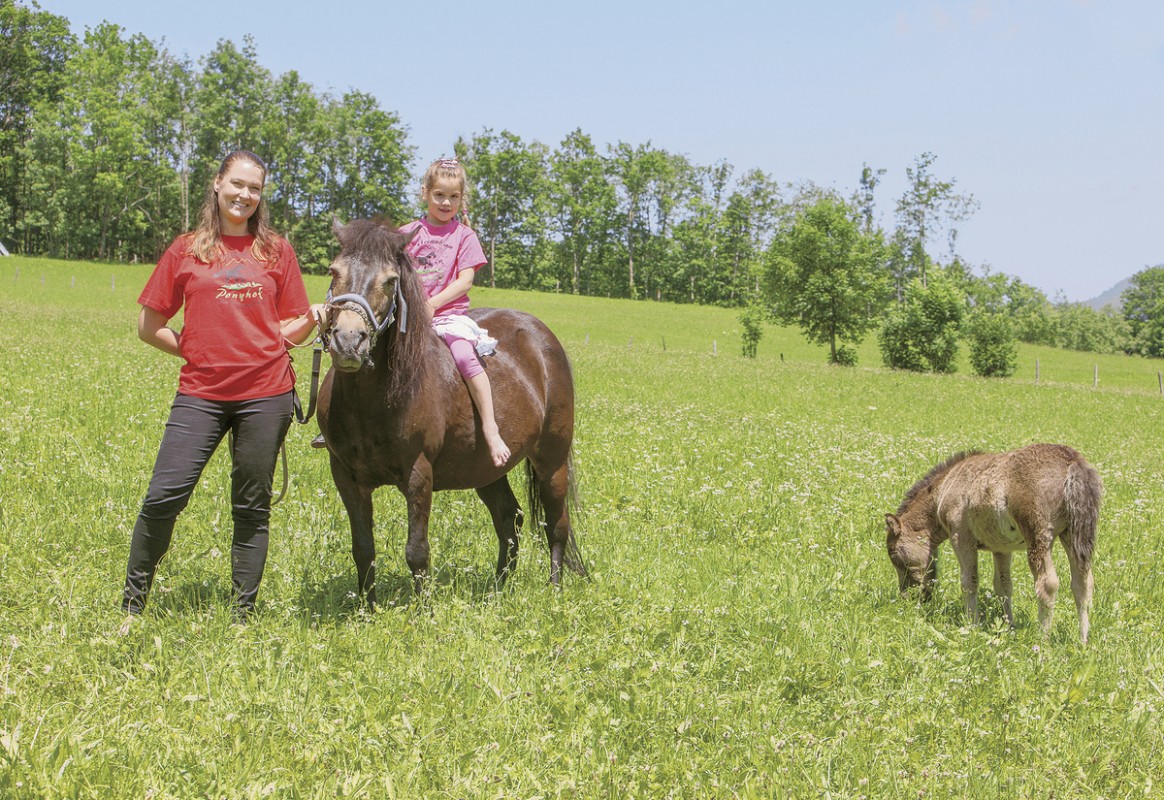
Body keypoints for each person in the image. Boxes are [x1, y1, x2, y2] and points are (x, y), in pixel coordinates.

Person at [121, 149, 324, 627]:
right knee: (164, 496)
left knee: (251, 507)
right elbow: (149, 327)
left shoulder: (277, 252)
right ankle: (131, 607)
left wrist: (310, 320)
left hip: (267, 395)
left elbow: (287, 328)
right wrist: (197, 350)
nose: (245, 195)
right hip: (201, 395)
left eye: (255, 188)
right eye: (237, 184)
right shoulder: (185, 250)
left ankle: (241, 618)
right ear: (217, 183)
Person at [400, 157, 510, 468]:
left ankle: (490, 427)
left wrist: (432, 304)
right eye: (439, 195)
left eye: (453, 196)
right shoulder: (406, 233)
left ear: (462, 199)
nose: (446, 203)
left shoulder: (464, 236)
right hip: (409, 317)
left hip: (447, 317)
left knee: (464, 357)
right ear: (425, 193)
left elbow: (465, 281)